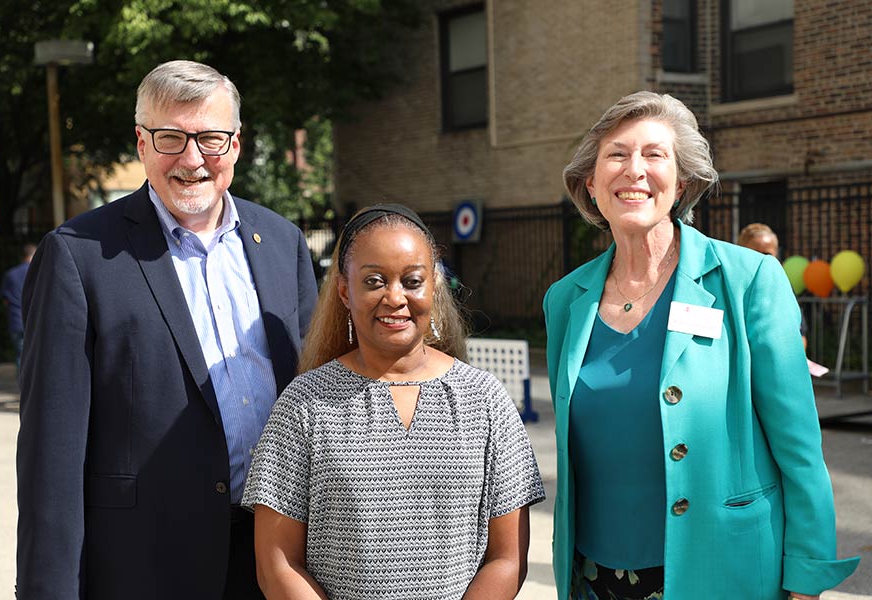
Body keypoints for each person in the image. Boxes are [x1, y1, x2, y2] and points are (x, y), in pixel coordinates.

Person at [16, 60, 317, 599]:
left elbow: (317, 399)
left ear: (237, 144)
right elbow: (50, 456)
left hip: (275, 559)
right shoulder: (78, 256)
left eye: (211, 138)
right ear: (141, 143)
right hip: (145, 565)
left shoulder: (282, 242)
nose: (192, 159)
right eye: (170, 137)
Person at [543, 91, 859, 600]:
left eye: (654, 155)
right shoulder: (565, 300)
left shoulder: (749, 278)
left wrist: (806, 574)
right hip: (594, 576)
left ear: (682, 181)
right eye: (617, 155)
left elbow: (799, 447)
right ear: (591, 183)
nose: (634, 170)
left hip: (725, 569)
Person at [242, 204, 545, 599]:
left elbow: (507, 558)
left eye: (412, 280)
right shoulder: (305, 404)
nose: (395, 297)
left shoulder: (484, 400)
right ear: (345, 290)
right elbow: (277, 562)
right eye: (374, 281)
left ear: (433, 287)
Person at [738, 223, 809, 350]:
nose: (761, 260)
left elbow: (800, 336)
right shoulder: (729, 286)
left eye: (767, 255)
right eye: (754, 253)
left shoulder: (783, 287)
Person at [0, 242, 36, 368]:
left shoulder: (10, 274)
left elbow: (5, 300)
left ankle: (22, 385)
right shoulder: (39, 273)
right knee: (38, 355)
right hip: (35, 320)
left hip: (16, 320)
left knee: (21, 356)